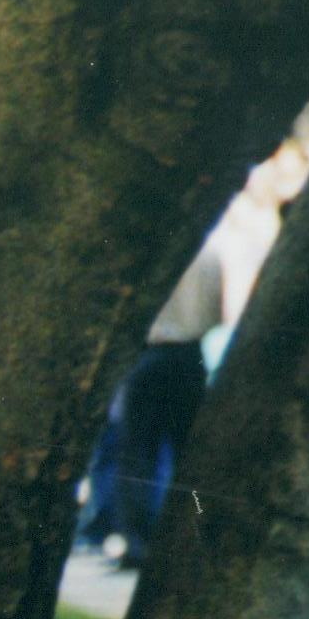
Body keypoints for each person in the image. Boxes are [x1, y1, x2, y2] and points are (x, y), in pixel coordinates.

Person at [82, 240, 226, 567]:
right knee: (188, 452)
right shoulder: (208, 253)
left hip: (151, 353)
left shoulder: (152, 250)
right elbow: (217, 313)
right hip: (190, 356)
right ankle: (193, 535)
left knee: (137, 455)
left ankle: (137, 541)